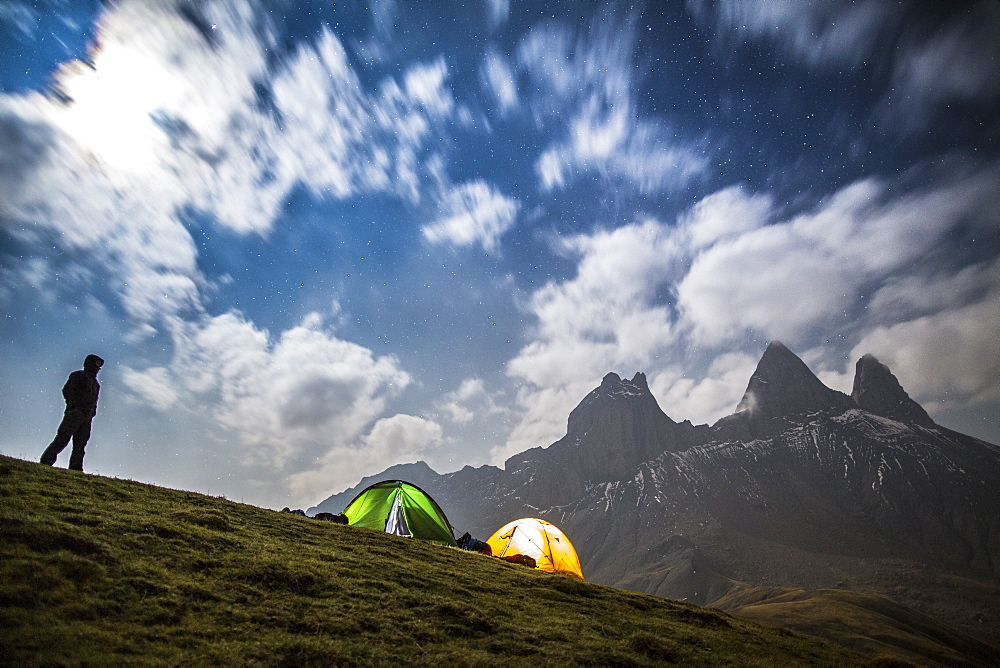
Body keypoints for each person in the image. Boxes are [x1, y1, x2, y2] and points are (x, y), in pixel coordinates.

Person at [40, 354, 104, 472]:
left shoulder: (96, 384)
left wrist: (92, 412)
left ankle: (75, 469)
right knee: (62, 439)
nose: (98, 367)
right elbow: (68, 390)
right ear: (90, 363)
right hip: (75, 413)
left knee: (80, 445)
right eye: (96, 363)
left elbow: (95, 400)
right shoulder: (78, 375)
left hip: (87, 417)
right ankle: (46, 461)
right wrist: (74, 406)